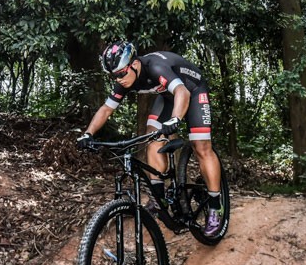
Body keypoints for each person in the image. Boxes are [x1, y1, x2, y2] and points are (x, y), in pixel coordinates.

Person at [77, 41, 225, 236]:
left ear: (135, 65)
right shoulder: (124, 79)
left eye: (121, 73)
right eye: (114, 76)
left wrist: (175, 119)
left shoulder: (155, 67)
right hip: (167, 96)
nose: (118, 79)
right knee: (152, 138)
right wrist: (88, 134)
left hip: (193, 90)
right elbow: (106, 109)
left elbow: (182, 92)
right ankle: (159, 199)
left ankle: (216, 206)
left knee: (201, 147)